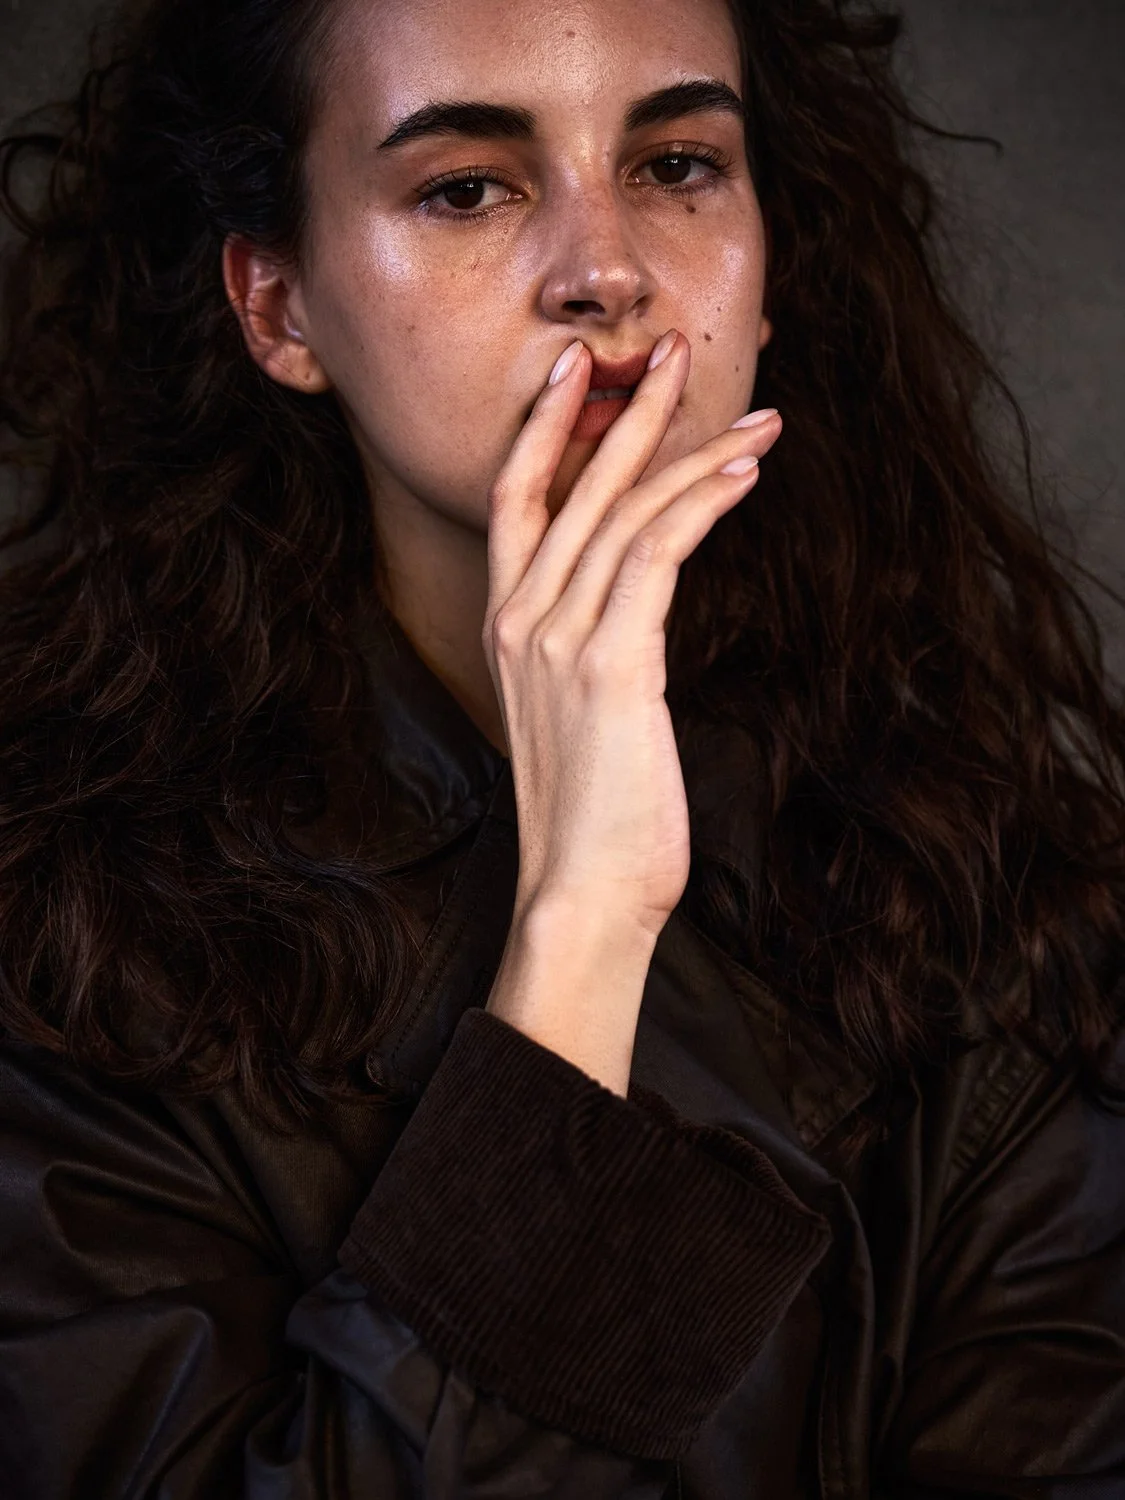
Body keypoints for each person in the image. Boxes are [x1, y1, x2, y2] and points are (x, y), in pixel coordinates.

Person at [1, 0, 1123, 1493]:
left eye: (675, 165)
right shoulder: (59, 944)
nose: (609, 271)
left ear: (772, 262)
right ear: (279, 307)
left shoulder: (1001, 882)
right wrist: (584, 931)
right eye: (468, 186)